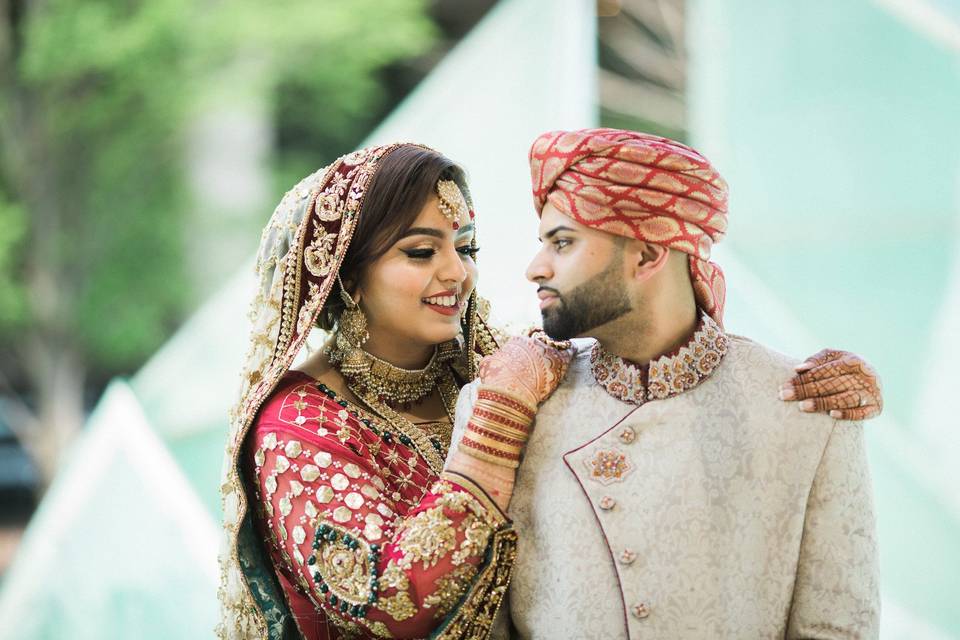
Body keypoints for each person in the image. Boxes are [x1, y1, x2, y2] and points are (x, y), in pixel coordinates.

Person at [217, 140, 882, 640]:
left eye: (467, 248)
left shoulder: (494, 369)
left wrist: (810, 387)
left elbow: (648, 345)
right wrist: (498, 418)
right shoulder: (300, 425)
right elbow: (392, 597)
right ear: (347, 278)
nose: (457, 273)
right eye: (421, 253)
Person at [449, 128, 880, 639]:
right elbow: (477, 626)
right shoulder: (503, 405)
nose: (534, 268)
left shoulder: (807, 412)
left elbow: (837, 629)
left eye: (562, 242)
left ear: (649, 254)